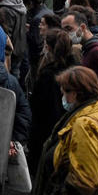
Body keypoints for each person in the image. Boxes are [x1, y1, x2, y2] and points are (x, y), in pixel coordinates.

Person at [32, 66, 98, 195]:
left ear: (74, 94)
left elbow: (84, 182)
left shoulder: (84, 125)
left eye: (64, 92)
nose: (62, 97)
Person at [27, 30, 77, 175]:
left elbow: (37, 106)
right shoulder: (75, 68)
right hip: (70, 124)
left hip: (46, 129)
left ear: (48, 47)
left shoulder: (48, 74)